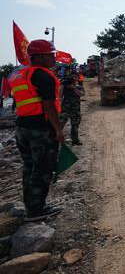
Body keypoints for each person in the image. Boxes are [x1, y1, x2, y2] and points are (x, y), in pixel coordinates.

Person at [7, 39, 64, 221]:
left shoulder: (19, 75)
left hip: (22, 128)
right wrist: (58, 130)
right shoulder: (43, 76)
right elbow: (48, 106)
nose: (53, 58)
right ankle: (36, 210)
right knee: (43, 169)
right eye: (50, 55)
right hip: (40, 130)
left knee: (30, 167)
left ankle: (31, 205)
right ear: (38, 56)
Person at [59, 72, 83, 145]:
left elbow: (81, 94)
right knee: (60, 124)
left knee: (75, 125)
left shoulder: (79, 87)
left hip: (75, 109)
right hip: (65, 108)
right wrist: (63, 86)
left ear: (78, 78)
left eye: (76, 77)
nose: (74, 79)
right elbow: (60, 95)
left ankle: (75, 140)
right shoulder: (65, 86)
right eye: (73, 77)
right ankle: (56, 138)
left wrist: (74, 88)